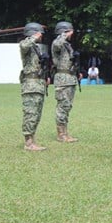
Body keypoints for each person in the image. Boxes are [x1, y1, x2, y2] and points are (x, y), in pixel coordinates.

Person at [19, 22, 49, 151]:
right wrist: (33, 37)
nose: (41, 36)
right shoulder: (25, 44)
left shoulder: (36, 48)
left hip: (38, 85)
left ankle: (32, 140)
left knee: (36, 114)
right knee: (30, 113)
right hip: (30, 86)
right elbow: (24, 45)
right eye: (40, 33)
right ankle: (28, 143)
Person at [51, 21, 80, 143]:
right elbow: (57, 44)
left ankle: (65, 132)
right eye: (69, 31)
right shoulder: (58, 43)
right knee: (62, 106)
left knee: (67, 106)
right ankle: (61, 134)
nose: (71, 34)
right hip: (63, 80)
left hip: (70, 79)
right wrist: (65, 34)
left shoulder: (67, 45)